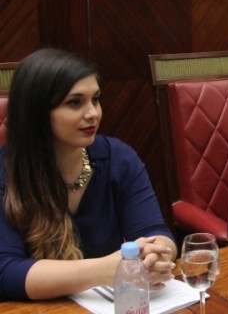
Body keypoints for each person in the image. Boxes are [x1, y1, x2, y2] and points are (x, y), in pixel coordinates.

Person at [0, 48, 176, 301]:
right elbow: (6, 272)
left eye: (95, 99)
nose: (93, 113)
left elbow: (155, 231)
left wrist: (156, 255)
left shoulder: (119, 158)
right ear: (37, 112)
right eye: (75, 102)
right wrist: (108, 269)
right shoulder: (6, 172)